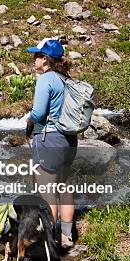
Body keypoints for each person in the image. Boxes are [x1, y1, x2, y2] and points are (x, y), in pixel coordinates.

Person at [25, 38, 78, 249]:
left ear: (45, 59)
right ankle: (66, 236)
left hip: (49, 139)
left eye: (36, 55)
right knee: (65, 187)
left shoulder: (46, 79)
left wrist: (28, 119)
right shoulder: (66, 79)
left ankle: (50, 242)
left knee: (47, 191)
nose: (33, 59)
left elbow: (38, 113)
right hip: (69, 140)